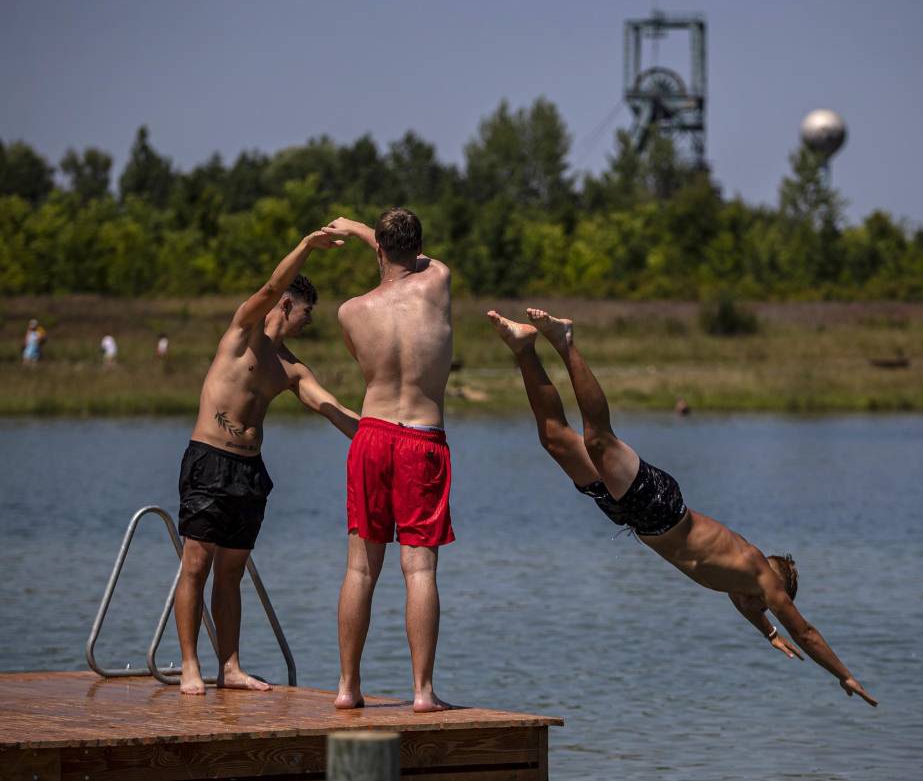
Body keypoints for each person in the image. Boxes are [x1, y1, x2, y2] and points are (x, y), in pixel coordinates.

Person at [487, 308, 878, 707]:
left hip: (634, 517)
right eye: (769, 606)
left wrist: (769, 633)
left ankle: (524, 347)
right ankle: (565, 341)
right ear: (773, 592)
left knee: (555, 439)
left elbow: (746, 606)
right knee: (599, 440)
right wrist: (843, 675)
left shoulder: (740, 583)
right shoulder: (759, 575)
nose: (760, 608)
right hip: (661, 506)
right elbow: (806, 633)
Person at [174, 229, 360, 696]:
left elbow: (332, 408)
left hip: (249, 474)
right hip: (210, 461)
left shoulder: (292, 368)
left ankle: (230, 667)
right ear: (287, 306)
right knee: (196, 563)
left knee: (231, 572)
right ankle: (190, 666)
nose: (308, 323)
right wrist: (307, 246)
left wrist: (389, 436)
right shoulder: (243, 332)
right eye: (306, 314)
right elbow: (271, 286)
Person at [322, 210, 455, 712]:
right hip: (422, 436)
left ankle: (347, 688)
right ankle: (422, 692)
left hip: (372, 435)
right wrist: (362, 230)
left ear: (378, 248)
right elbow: (419, 261)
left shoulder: (351, 312)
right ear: (418, 247)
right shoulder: (437, 281)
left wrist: (361, 234)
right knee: (419, 569)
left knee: (360, 568)